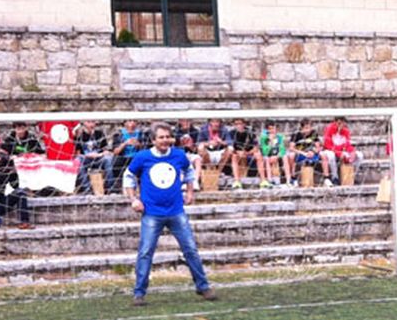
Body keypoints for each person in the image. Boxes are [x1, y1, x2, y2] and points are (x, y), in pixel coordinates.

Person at [123, 123, 216, 306]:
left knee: (190, 249)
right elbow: (128, 177)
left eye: (168, 137)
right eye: (161, 137)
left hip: (176, 211)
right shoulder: (142, 157)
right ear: (153, 140)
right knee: (145, 252)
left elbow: (189, 172)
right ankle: (139, 293)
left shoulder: (179, 155)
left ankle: (203, 287)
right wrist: (133, 199)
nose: (165, 140)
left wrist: (190, 192)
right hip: (152, 213)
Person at [320, 117, 364, 186]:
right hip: (330, 150)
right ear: (335, 122)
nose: (340, 125)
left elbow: (347, 144)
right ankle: (335, 177)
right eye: (339, 123)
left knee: (360, 155)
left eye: (343, 123)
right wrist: (339, 153)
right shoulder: (329, 129)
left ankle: (352, 176)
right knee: (331, 155)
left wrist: (352, 152)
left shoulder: (346, 131)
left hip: (342, 151)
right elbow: (327, 145)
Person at [74, 120, 113, 194]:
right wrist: (88, 155)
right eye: (89, 122)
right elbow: (78, 154)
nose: (91, 124)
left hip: (99, 158)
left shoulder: (99, 134)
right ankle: (87, 189)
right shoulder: (80, 136)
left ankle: (110, 188)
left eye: (93, 122)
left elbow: (106, 150)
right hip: (86, 159)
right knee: (78, 160)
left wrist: (99, 155)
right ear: (84, 123)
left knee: (108, 159)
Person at [229, 118, 269, 189]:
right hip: (238, 152)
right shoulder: (232, 133)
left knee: (259, 154)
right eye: (236, 124)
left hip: (250, 152)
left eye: (240, 123)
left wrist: (248, 153)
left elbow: (256, 146)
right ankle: (237, 181)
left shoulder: (250, 132)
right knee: (234, 156)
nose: (238, 126)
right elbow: (231, 147)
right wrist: (238, 152)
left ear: (244, 124)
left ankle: (263, 180)